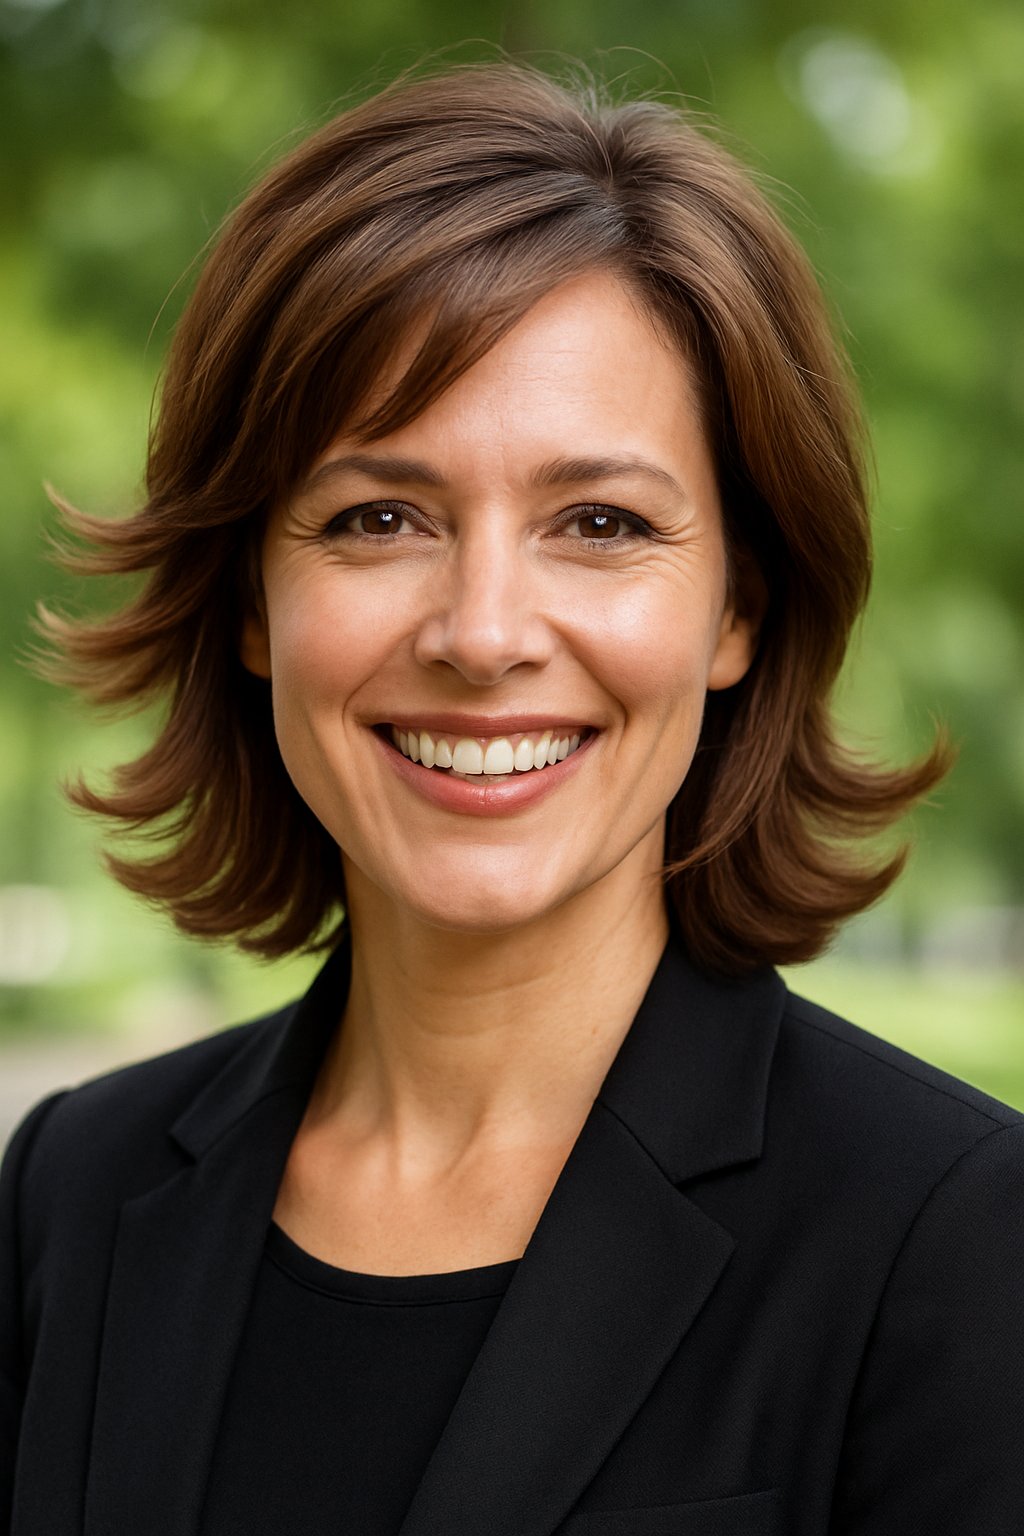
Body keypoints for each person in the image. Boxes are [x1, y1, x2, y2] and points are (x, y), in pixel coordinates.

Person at [2, 58, 1022, 1536]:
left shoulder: (953, 1239)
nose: (483, 633)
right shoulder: (67, 1198)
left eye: (599, 523)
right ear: (248, 599)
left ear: (737, 604)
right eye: (380, 518)